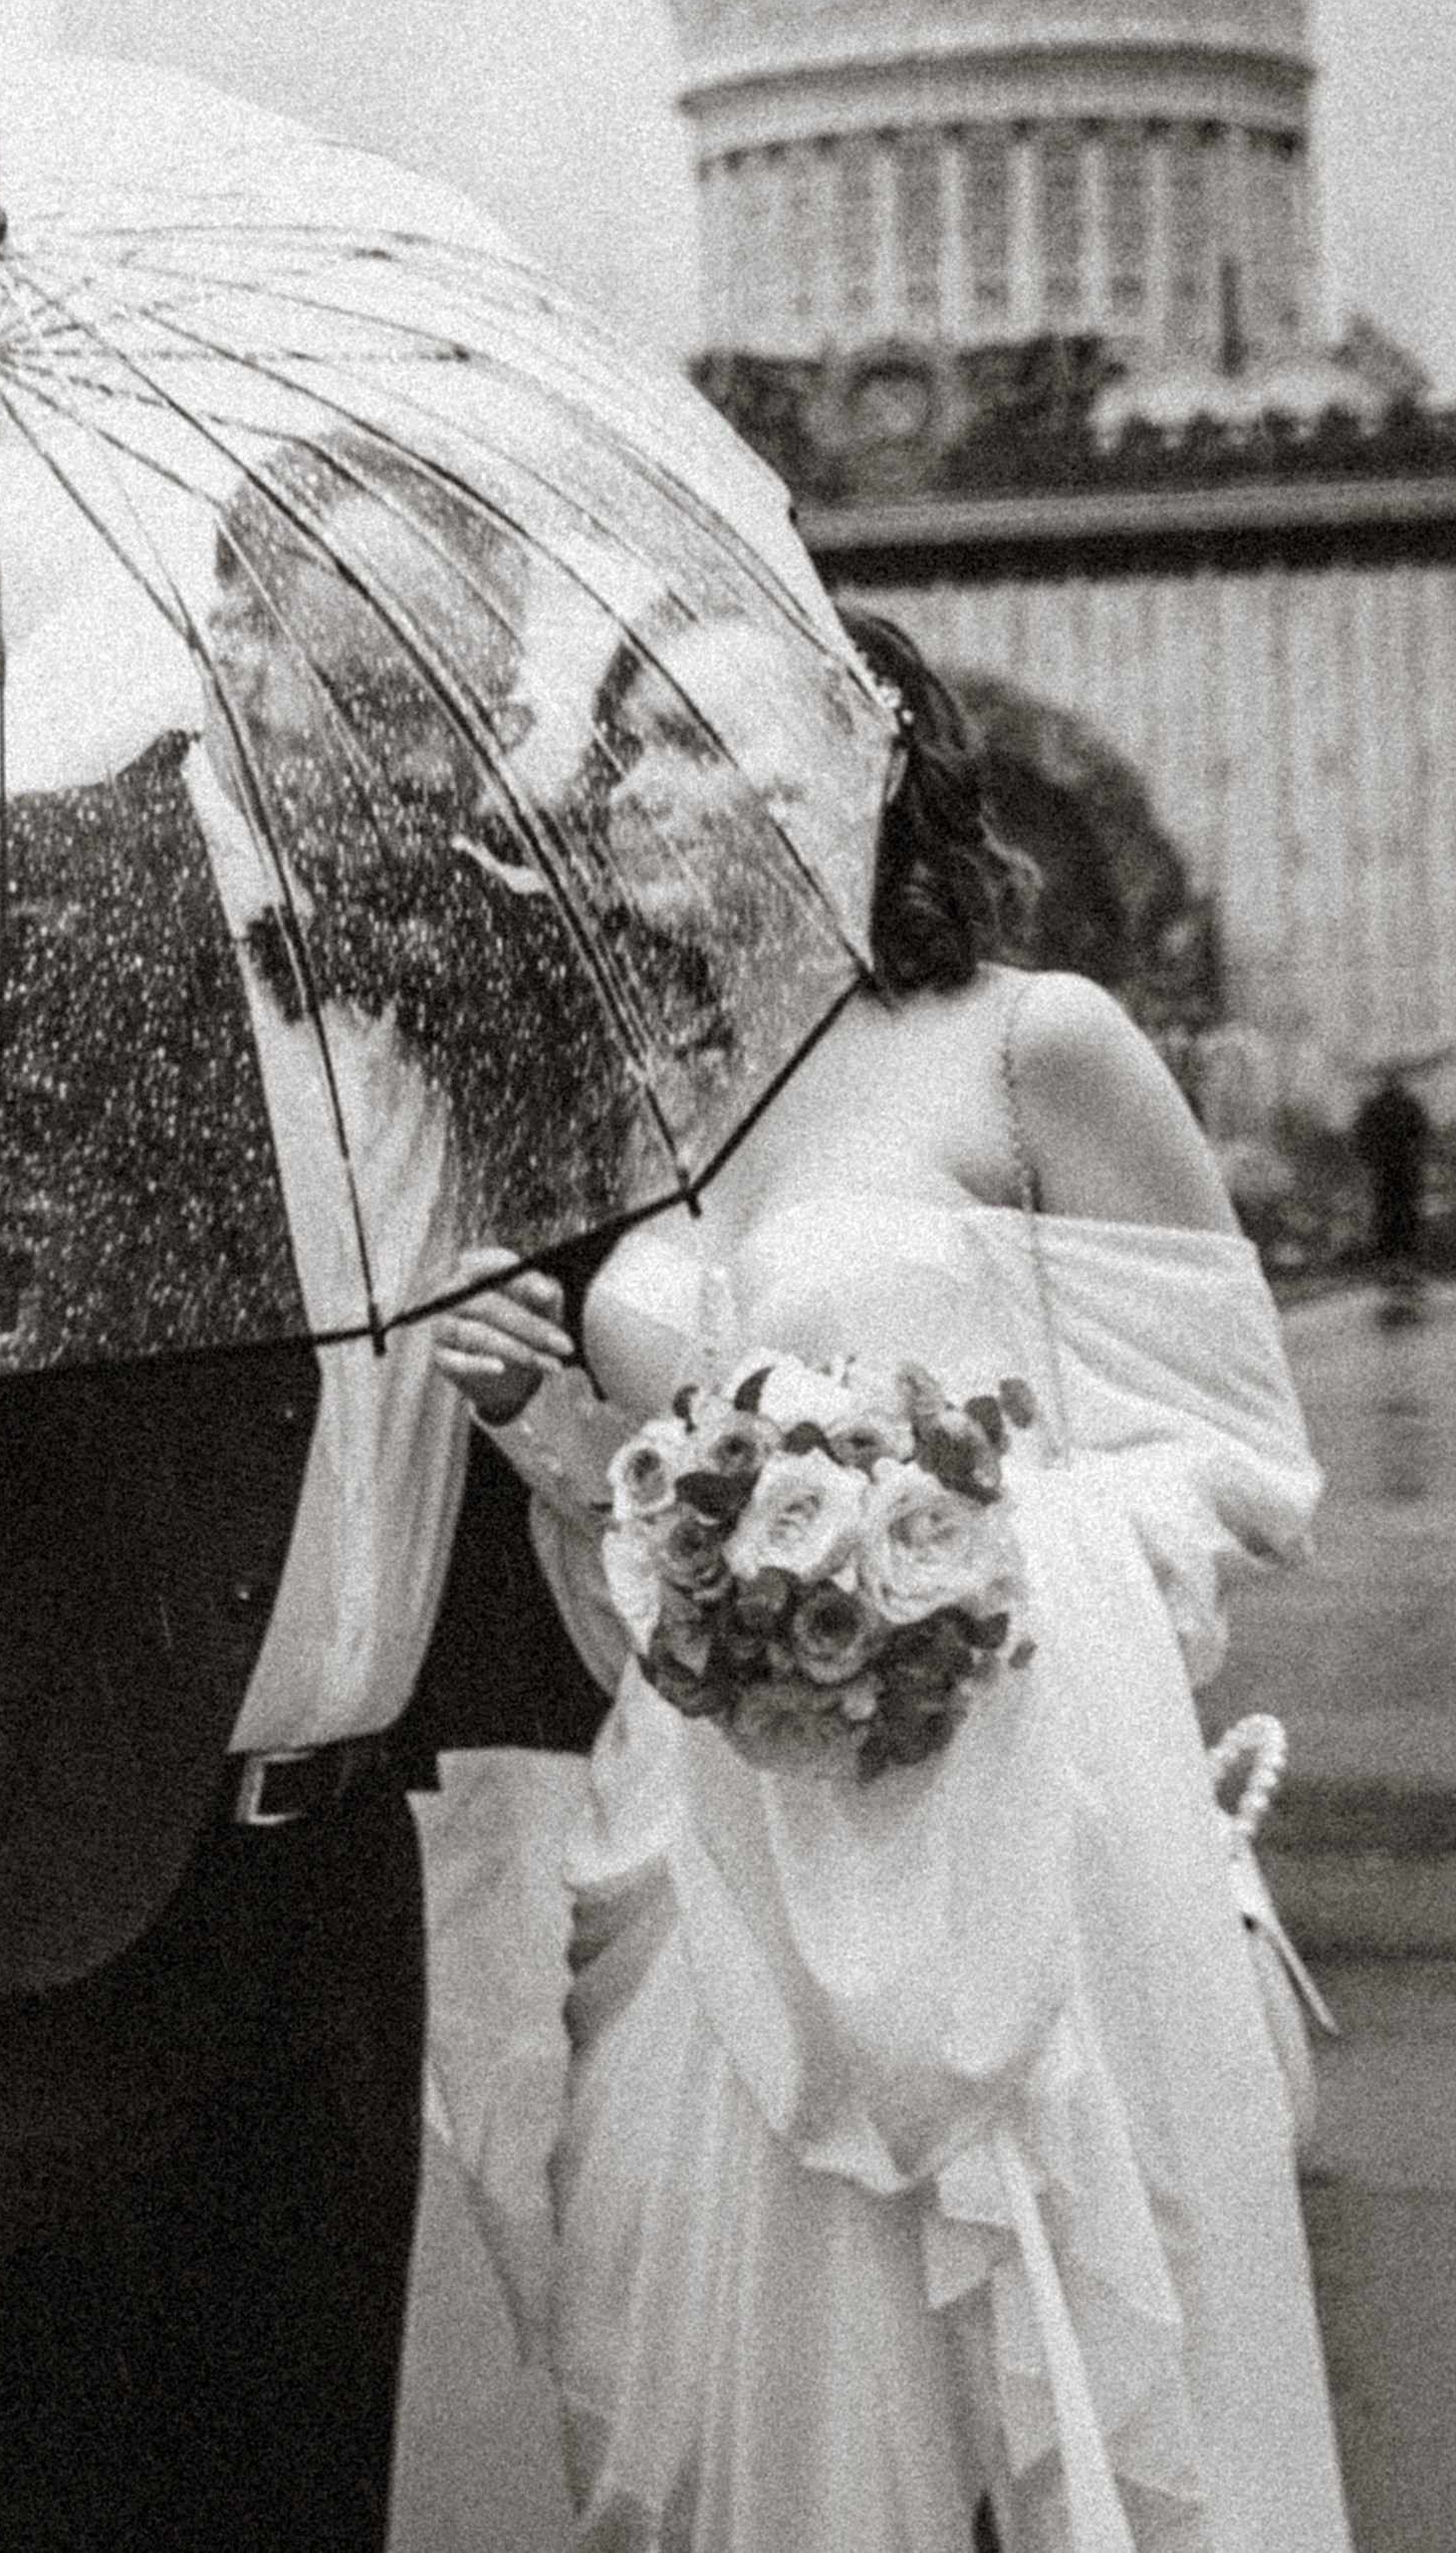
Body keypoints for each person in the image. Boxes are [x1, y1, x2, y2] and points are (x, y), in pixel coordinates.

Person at [0, 431, 607, 2553]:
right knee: (20, 2498)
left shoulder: (501, 967)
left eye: (476, 701)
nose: (442, 750)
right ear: (234, 634)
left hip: (337, 1888)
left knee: (294, 2485)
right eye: (385, 687)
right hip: (12, 1871)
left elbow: (643, 1268)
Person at [434, 607, 1353, 2553]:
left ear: (851, 768)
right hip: (702, 1861)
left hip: (1002, 1827)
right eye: (625, 756)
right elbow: (632, 1552)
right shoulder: (653, 1110)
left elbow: (1243, 1458)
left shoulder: (1033, 1043)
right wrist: (552, 1427)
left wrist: (951, 1566)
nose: (639, 790)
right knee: (742, 2445)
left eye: (690, 741)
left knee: (1038, 2408)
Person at [1350, 1061, 1432, 1325]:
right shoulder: (1410, 1105)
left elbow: (1361, 1138)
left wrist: (1371, 1160)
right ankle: (1405, 1266)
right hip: (1406, 1171)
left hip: (1384, 1172)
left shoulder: (1373, 1107)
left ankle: (1391, 1267)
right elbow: (1423, 1135)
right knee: (1406, 1217)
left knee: (1386, 1217)